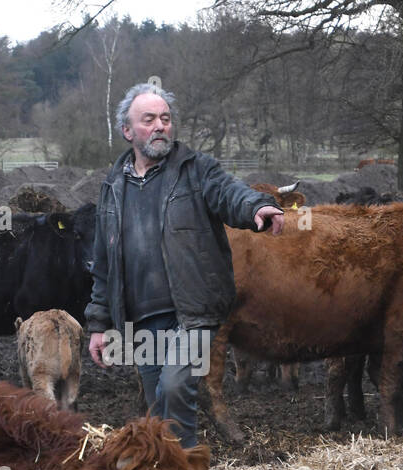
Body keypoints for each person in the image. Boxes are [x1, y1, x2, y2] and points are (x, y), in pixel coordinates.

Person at [85, 82, 285, 448]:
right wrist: (98, 324)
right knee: (156, 409)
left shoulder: (196, 170)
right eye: (149, 119)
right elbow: (103, 263)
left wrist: (257, 206)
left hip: (191, 313)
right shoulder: (112, 187)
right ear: (128, 131)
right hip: (139, 320)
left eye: (165, 118)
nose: (160, 125)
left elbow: (229, 192)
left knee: (176, 386)